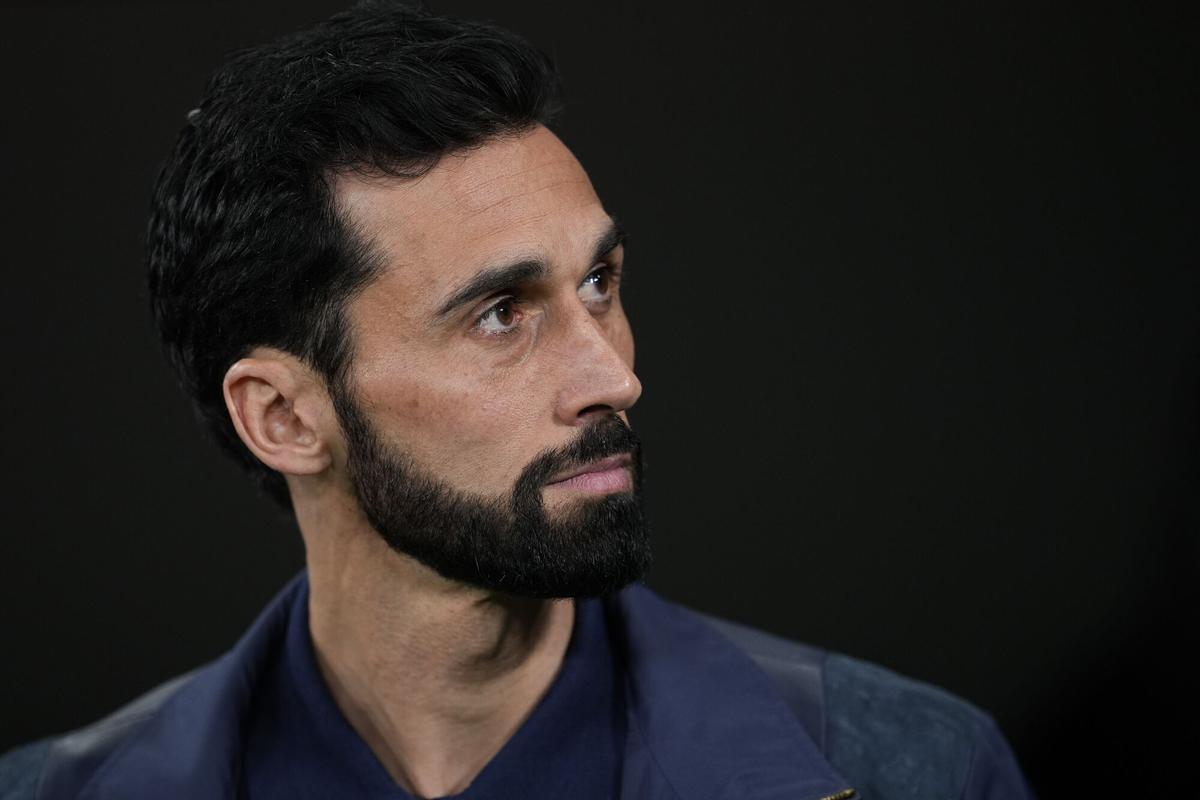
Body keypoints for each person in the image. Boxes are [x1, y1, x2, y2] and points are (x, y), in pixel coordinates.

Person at [0, 3, 1033, 798]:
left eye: (600, 283)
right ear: (284, 416)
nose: (614, 377)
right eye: (501, 313)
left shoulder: (919, 770)